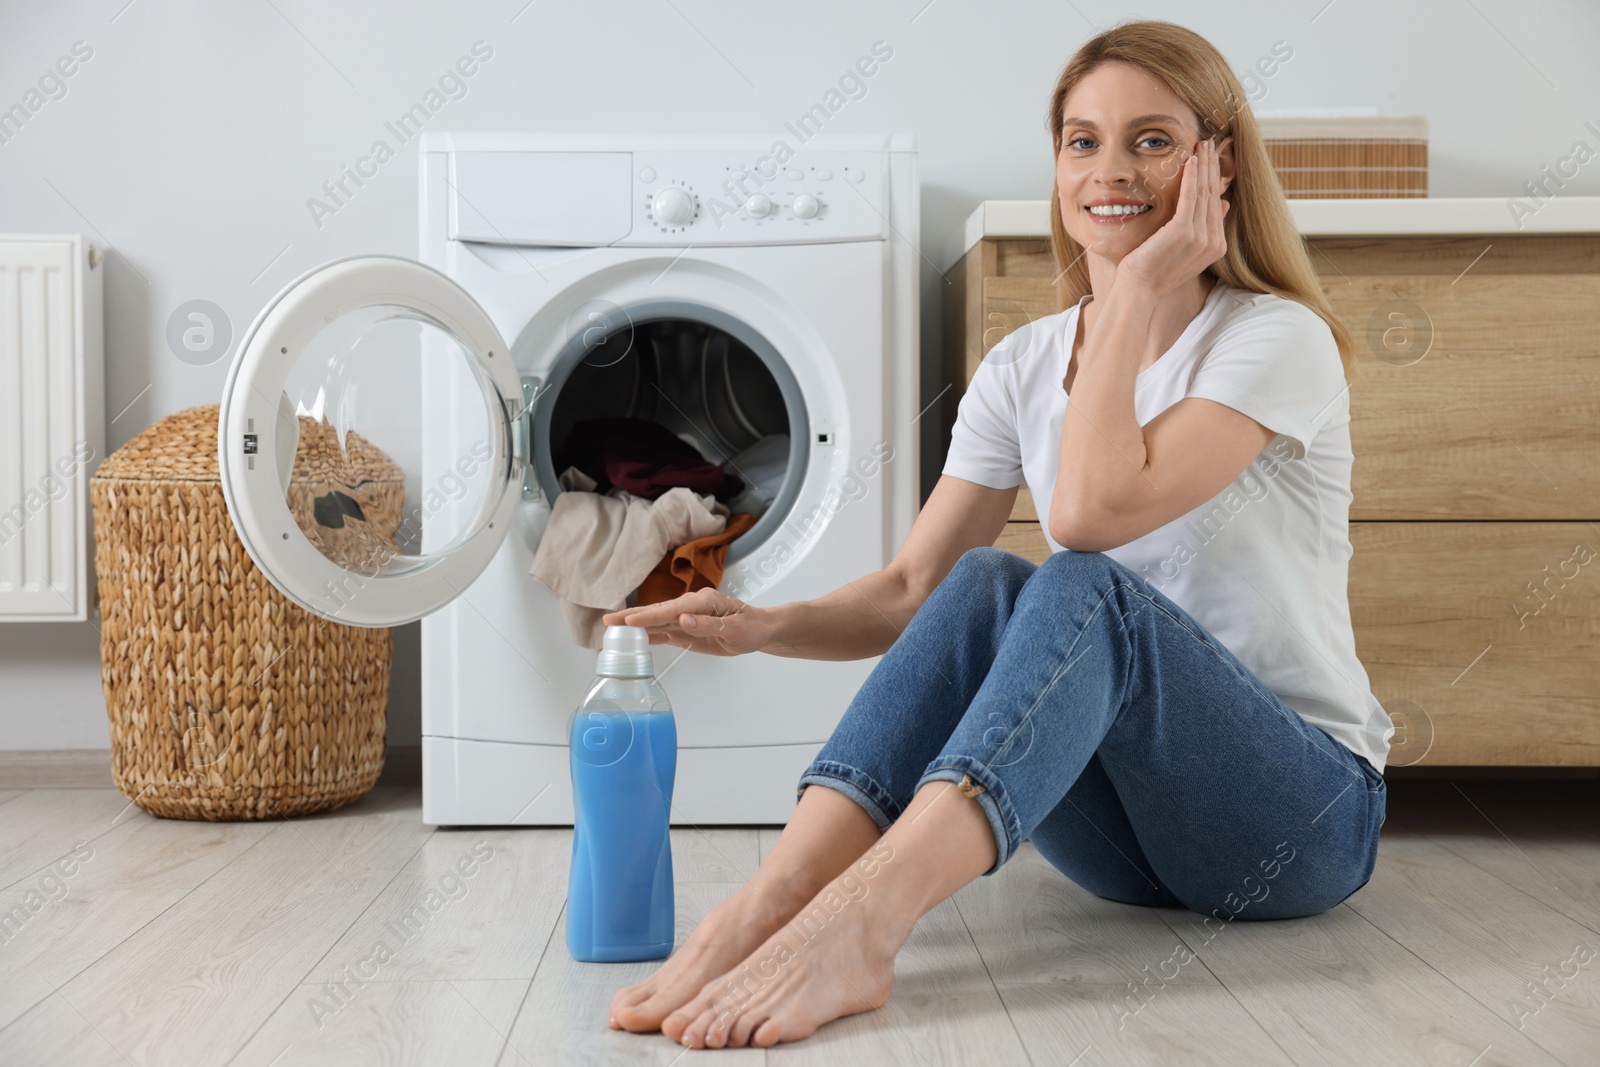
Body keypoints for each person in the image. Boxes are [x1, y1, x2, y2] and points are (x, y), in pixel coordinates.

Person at [602, 18, 1393, 1051]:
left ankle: (863, 921)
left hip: (1297, 819)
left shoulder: (1271, 339)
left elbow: (1089, 513)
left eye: (1151, 141)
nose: (1109, 170)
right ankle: (773, 901)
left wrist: (1137, 291)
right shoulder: (1024, 363)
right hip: (1125, 847)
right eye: (1081, 141)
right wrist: (759, 625)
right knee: (980, 581)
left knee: (1078, 582)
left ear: (1218, 166)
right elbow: (909, 591)